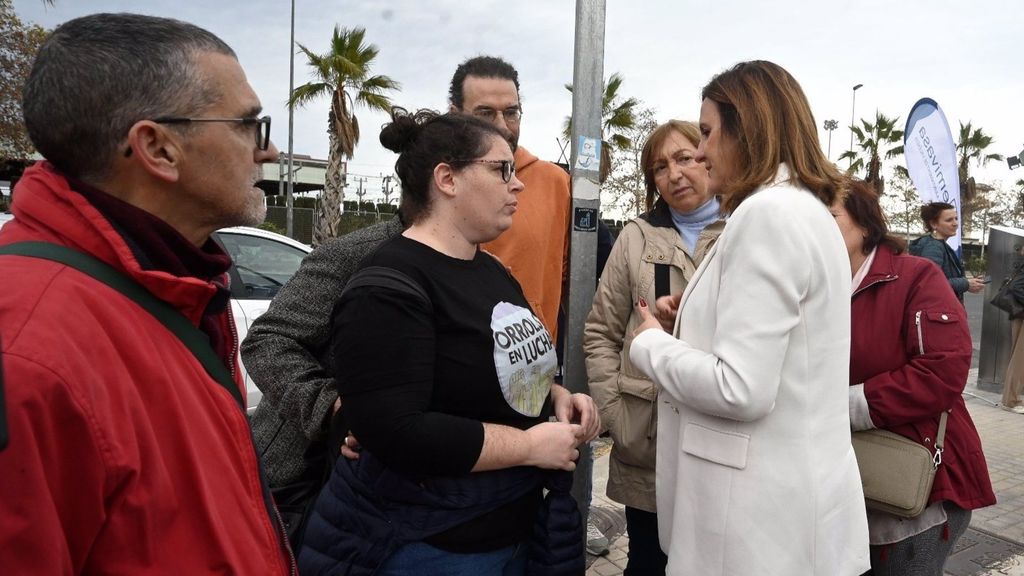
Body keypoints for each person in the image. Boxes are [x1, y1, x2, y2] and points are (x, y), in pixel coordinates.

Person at [0, 13, 292, 574]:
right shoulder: (28, 357)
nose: (270, 151)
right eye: (249, 125)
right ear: (157, 148)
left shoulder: (175, 287)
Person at [243, 55, 572, 503]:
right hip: (323, 478)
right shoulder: (367, 257)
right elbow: (267, 341)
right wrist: (336, 409)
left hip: (461, 488)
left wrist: (547, 395)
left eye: (511, 112)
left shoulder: (496, 252)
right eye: (485, 115)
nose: (505, 126)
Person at [297, 109, 599, 576]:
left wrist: (555, 397)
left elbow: (495, 370)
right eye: (502, 169)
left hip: (510, 531)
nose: (517, 185)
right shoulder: (388, 285)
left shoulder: (493, 270)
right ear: (447, 179)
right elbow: (399, 432)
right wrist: (529, 447)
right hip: (429, 546)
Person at [629, 60, 870, 575]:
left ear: (749, 129)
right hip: (784, 515)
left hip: (751, 527)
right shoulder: (804, 210)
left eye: (709, 132)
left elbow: (742, 388)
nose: (700, 150)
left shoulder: (767, 215)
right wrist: (691, 324)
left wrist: (651, 344)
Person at [584, 119, 724, 574]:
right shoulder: (637, 237)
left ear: (706, 157)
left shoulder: (741, 230)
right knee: (647, 561)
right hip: (646, 444)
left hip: (721, 438)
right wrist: (614, 416)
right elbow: (601, 331)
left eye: (684, 158)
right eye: (660, 167)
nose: (674, 174)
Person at [834, 180, 995, 575]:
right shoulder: (811, 285)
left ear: (866, 225)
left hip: (916, 484)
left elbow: (942, 371)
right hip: (840, 482)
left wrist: (843, 406)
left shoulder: (916, 275)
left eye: (829, 215)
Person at [908, 202, 985, 303]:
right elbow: (930, 281)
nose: (955, 223)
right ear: (933, 224)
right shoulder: (934, 247)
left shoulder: (937, 244)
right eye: (949, 220)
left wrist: (969, 282)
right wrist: (965, 284)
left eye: (956, 218)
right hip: (938, 311)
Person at [999, 243, 1024, 414]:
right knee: (1020, 359)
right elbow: (1017, 287)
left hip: (1019, 314)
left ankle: (1010, 398)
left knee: (1018, 357)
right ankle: (1010, 400)